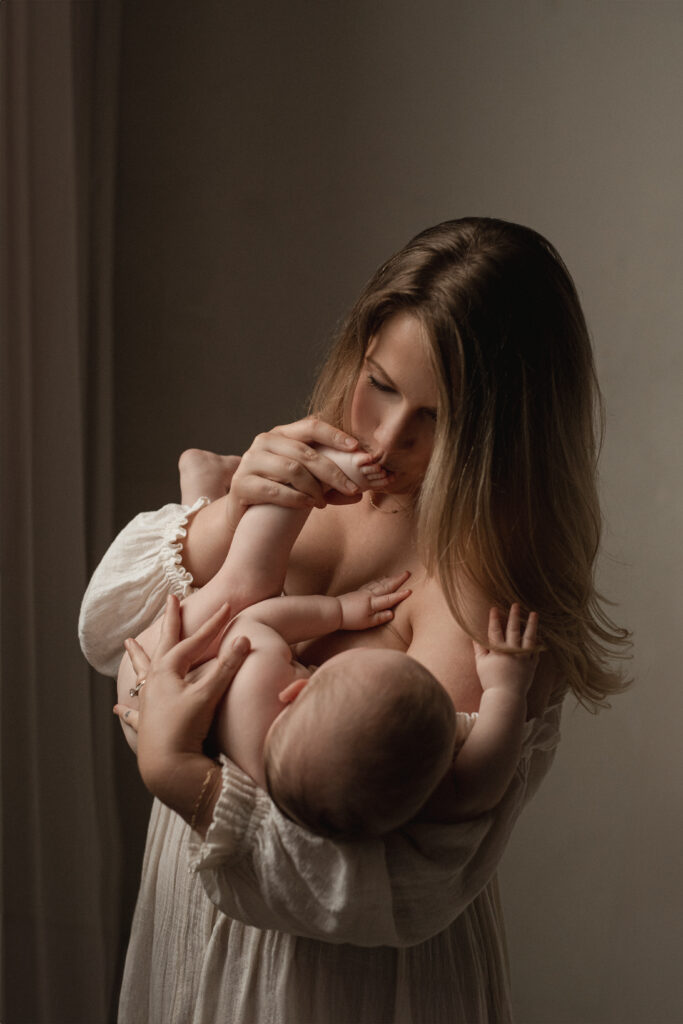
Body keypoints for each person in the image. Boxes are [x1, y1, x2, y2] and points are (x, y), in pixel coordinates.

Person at [79, 217, 629, 1023]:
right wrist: (232, 504)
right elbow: (105, 631)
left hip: (330, 983)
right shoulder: (305, 468)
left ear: (507, 433)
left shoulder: (485, 592)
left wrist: (182, 776)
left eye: (439, 420)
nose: (387, 438)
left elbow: (391, 890)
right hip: (190, 922)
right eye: (379, 383)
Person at [115, 446, 540, 839]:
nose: (315, 661)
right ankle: (204, 491)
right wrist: (507, 691)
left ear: (298, 688)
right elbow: (473, 790)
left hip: (148, 676)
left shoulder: (259, 687)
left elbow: (256, 619)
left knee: (246, 582)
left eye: (326, 667)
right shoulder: (352, 790)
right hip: (165, 713)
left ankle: (259, 488)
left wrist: (338, 612)